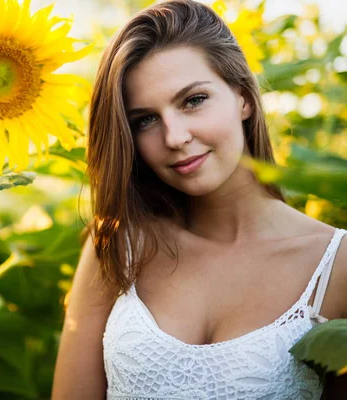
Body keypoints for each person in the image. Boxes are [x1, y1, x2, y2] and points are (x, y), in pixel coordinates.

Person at [51, 0, 347, 398]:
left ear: (242, 97)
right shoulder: (117, 246)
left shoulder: (336, 265)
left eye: (193, 100)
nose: (174, 137)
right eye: (146, 120)